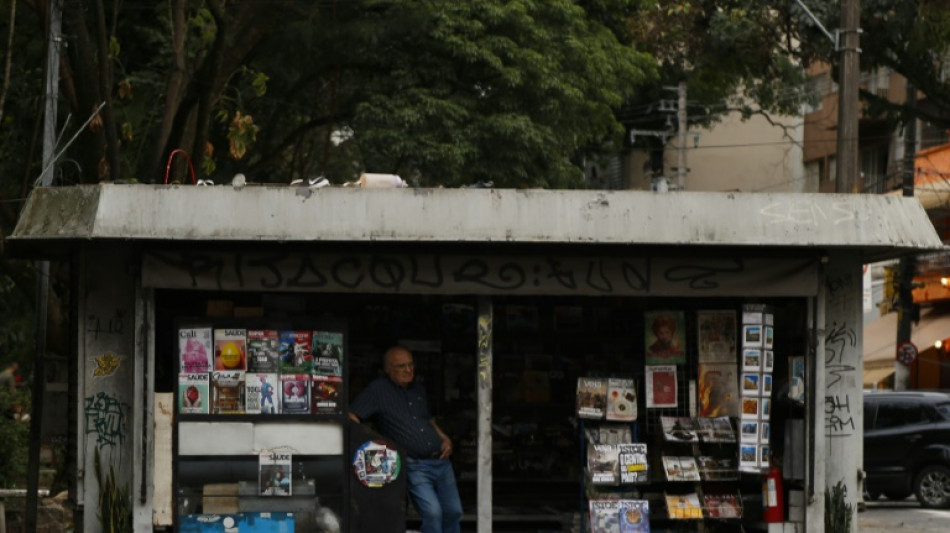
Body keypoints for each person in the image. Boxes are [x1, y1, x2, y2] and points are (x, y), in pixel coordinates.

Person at [349, 346, 462, 533]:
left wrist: (444, 438)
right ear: (388, 369)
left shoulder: (417, 389)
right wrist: (375, 443)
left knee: (453, 511)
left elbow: (427, 420)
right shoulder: (377, 390)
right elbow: (352, 416)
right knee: (433, 513)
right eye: (401, 366)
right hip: (414, 464)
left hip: (442, 460)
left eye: (410, 365)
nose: (408, 370)